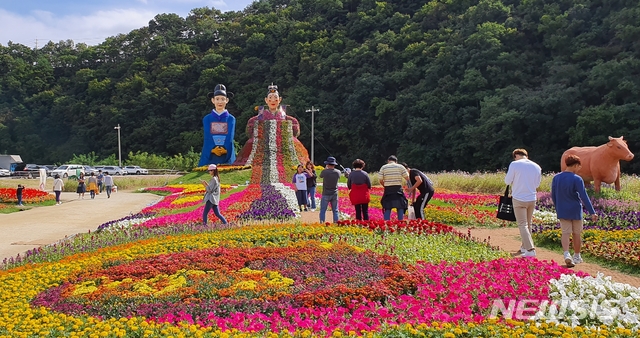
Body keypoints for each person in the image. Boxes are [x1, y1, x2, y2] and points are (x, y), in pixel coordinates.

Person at [552, 155, 598, 267]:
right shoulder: (577, 179)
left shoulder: (556, 178)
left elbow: (553, 195)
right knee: (576, 233)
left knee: (565, 232)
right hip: (575, 209)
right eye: (579, 167)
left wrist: (558, 207)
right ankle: (577, 256)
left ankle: (566, 254)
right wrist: (592, 212)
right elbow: (584, 196)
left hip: (562, 209)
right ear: (576, 165)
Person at [504, 148, 542, 258]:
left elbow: (507, 181)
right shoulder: (537, 166)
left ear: (516, 155)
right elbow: (537, 184)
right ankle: (524, 247)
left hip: (519, 198)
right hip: (531, 198)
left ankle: (530, 249)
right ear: (526, 155)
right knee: (528, 224)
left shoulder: (515, 164)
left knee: (522, 224)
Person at [198, 84, 237, 166]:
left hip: (226, 151)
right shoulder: (207, 119)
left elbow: (230, 137)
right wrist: (212, 149)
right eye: (217, 99)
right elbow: (207, 137)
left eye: (223, 99)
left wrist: (225, 150)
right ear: (213, 100)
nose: (220, 102)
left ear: (227, 100)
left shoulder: (231, 119)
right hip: (211, 153)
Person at [379, 155, 410, 221]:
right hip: (398, 189)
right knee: (400, 206)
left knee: (387, 207)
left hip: (388, 189)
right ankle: (400, 221)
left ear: (388, 161)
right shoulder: (400, 166)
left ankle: (387, 222)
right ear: (396, 161)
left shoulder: (384, 167)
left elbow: (380, 179)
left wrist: (385, 185)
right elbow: (407, 177)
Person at [319, 156, 341, 223]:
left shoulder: (325, 172)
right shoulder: (338, 172)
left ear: (327, 164)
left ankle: (322, 222)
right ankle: (336, 223)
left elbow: (320, 176)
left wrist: (326, 168)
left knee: (323, 210)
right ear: (334, 164)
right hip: (334, 193)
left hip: (326, 193)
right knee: (335, 210)